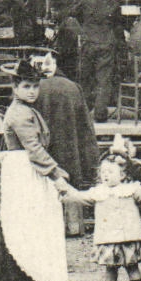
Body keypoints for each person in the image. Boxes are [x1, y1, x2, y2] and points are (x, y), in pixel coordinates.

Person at [0, 59, 73, 281]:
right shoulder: (19, 113)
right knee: (22, 228)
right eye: (26, 86)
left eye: (35, 86)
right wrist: (56, 174)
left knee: (28, 226)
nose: (32, 91)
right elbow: (34, 148)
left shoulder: (27, 109)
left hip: (27, 171)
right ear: (15, 88)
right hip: (22, 172)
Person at [61, 151, 141, 281]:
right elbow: (79, 197)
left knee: (132, 266)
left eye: (111, 172)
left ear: (122, 175)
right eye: (103, 172)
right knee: (110, 268)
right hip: (108, 238)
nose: (106, 175)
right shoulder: (98, 192)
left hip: (129, 237)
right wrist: (65, 190)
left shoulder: (130, 190)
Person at [32, 37, 97, 237]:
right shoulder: (72, 87)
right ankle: (74, 226)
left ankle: (48, 227)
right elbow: (86, 125)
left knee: (45, 182)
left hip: (44, 146)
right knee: (70, 179)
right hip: (70, 145)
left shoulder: (33, 89)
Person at [66, 0, 122, 125]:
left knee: (85, 78)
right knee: (104, 79)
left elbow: (71, 12)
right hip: (106, 44)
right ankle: (100, 113)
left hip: (89, 44)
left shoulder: (85, 2)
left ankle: (83, 113)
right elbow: (118, 26)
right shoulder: (113, 3)